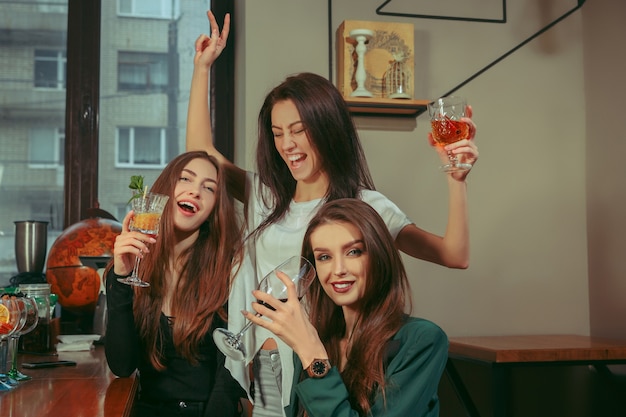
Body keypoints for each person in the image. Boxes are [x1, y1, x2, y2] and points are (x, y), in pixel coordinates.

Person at [187, 11, 477, 416]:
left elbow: (454, 255)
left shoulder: (364, 207)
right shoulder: (265, 198)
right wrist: (202, 69)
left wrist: (456, 179)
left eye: (299, 129)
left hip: (319, 365)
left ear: (326, 127)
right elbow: (203, 157)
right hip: (263, 367)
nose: (288, 144)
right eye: (277, 133)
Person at [244, 198, 449, 417]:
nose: (338, 269)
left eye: (353, 252)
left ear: (379, 255)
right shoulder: (317, 339)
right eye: (324, 257)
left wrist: (313, 356)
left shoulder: (422, 340)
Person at [105, 151, 247, 417]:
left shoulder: (228, 269)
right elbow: (122, 366)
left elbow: (228, 378)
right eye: (186, 179)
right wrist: (121, 277)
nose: (195, 192)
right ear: (165, 189)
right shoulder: (132, 265)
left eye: (209, 188)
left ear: (215, 207)